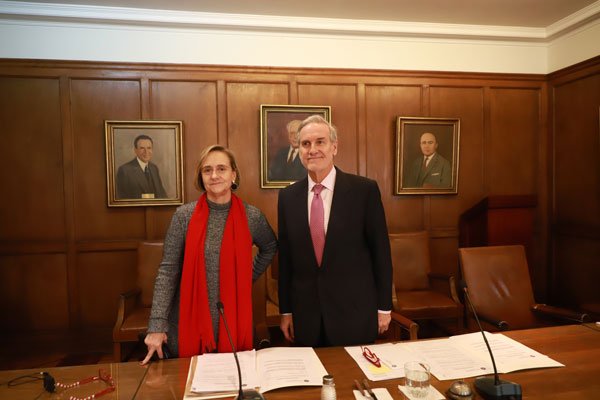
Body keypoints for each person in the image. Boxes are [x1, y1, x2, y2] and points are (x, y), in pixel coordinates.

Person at [141, 145, 277, 365]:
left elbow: (270, 246)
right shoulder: (183, 216)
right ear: (201, 176)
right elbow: (168, 271)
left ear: (233, 174)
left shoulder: (252, 217)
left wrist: (246, 275)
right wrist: (157, 326)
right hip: (187, 323)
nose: (214, 175)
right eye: (207, 170)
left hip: (234, 323)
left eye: (221, 168)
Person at [277, 115, 393, 347]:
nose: (312, 150)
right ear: (299, 149)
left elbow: (381, 252)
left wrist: (384, 307)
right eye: (305, 144)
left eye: (320, 142)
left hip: (354, 312)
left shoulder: (364, 191)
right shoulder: (288, 197)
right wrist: (286, 311)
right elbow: (286, 261)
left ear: (334, 147)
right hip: (306, 316)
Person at [116, 134, 167, 199]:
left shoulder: (154, 168)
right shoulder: (125, 170)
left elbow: (162, 194)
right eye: (142, 148)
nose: (146, 152)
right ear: (135, 150)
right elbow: (122, 199)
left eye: (149, 148)